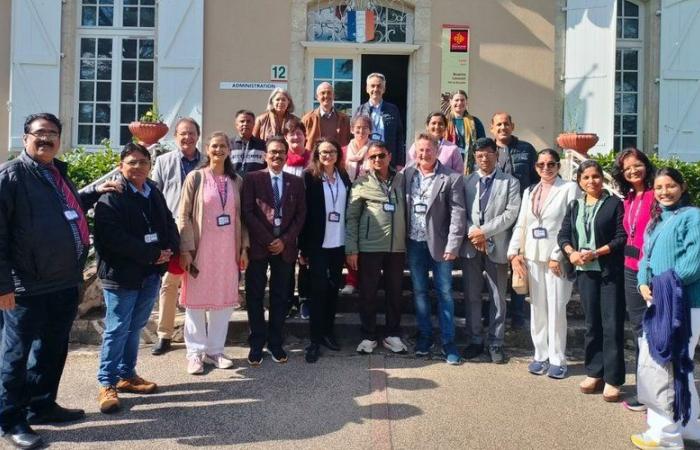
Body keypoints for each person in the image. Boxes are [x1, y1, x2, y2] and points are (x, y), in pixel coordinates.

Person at [0, 113, 120, 449]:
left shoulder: (56, 173)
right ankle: (10, 420)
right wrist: (3, 286)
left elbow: (67, 209)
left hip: (63, 283)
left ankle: (41, 404)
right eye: (39, 133)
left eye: (53, 133)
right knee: (15, 356)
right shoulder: (11, 176)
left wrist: (95, 191)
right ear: (25, 138)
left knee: (52, 349)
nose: (46, 139)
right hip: (25, 287)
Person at [93, 143, 179, 413]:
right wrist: (152, 254)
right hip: (122, 275)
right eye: (132, 162)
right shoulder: (111, 197)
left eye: (143, 162)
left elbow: (168, 221)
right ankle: (107, 383)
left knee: (136, 325)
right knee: (117, 329)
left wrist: (170, 249)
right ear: (121, 166)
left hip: (150, 273)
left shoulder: (153, 191)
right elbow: (113, 239)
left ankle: (127, 375)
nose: (138, 167)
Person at [631, 168, 700, 450]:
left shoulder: (692, 217)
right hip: (658, 301)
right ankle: (690, 429)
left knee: (665, 368)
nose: (664, 192)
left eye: (670, 186)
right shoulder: (656, 221)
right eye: (658, 187)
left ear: (682, 187)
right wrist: (642, 284)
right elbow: (645, 259)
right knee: (677, 367)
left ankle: (665, 438)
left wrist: (661, 288)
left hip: (682, 304)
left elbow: (694, 262)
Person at [178, 132, 248, 374]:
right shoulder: (195, 177)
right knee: (196, 303)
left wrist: (243, 249)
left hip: (227, 251)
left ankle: (215, 350)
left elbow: (242, 218)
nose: (219, 150)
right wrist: (186, 249)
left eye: (223, 146)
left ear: (229, 150)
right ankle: (195, 353)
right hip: (201, 251)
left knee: (222, 303)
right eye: (214, 146)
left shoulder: (236, 180)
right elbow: (183, 215)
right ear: (207, 149)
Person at [558, 160, 626, 402]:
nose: (591, 181)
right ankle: (594, 372)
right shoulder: (575, 205)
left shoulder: (614, 204)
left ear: (602, 179)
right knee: (591, 324)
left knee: (612, 325)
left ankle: (613, 378)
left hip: (608, 272)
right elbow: (563, 234)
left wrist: (597, 252)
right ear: (579, 181)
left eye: (595, 176)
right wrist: (570, 252)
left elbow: (621, 237)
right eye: (586, 177)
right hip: (586, 272)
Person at [507, 149, 579, 377]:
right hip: (532, 257)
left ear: (558, 166)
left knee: (557, 308)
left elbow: (571, 225)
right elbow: (522, 223)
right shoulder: (530, 191)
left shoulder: (568, 189)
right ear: (536, 167)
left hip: (555, 259)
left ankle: (558, 358)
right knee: (537, 308)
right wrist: (513, 252)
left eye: (551, 164)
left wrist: (558, 255)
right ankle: (540, 354)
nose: (546, 168)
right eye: (541, 165)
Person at [241, 137, 306, 366]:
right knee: (255, 295)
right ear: (265, 155)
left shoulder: (295, 182)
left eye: (281, 152)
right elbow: (247, 212)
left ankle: (275, 342)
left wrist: (285, 240)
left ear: (286, 155)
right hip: (259, 246)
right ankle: (257, 342)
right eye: (272, 152)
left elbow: (301, 216)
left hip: (285, 248)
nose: (277, 156)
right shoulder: (252, 179)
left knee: (280, 297)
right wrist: (269, 239)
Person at [404, 133, 466, 364]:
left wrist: (453, 245)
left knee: (445, 293)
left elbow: (458, 214)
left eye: (428, 150)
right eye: (420, 150)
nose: (424, 154)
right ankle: (425, 336)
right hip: (414, 242)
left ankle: (448, 342)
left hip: (441, 245)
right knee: (419, 292)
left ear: (437, 151)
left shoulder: (451, 178)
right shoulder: (408, 174)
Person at [461, 137, 521, 364]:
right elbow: (461, 212)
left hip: (497, 245)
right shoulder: (467, 181)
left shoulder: (510, 182)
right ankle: (475, 339)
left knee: (498, 297)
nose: (484, 158)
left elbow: (511, 213)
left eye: (488, 153)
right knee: (472, 295)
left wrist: (483, 232)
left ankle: (496, 342)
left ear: (496, 155)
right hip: (471, 246)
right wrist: (472, 232)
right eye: (479, 155)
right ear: (475, 158)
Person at [346, 141, 407, 355]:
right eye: (373, 157)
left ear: (389, 156)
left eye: (381, 155)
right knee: (368, 293)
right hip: (369, 247)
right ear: (367, 160)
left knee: (394, 293)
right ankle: (368, 335)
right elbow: (351, 218)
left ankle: (392, 334)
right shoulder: (360, 183)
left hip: (397, 248)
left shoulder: (403, 179)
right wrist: (351, 249)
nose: (377, 160)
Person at [151, 117, 203, 356]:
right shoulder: (163, 162)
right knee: (169, 283)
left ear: (198, 136)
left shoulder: (207, 162)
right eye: (182, 133)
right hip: (173, 230)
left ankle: (202, 334)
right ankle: (165, 334)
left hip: (202, 231)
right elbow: (154, 196)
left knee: (200, 281)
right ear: (175, 137)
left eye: (191, 133)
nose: (187, 137)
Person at [611, 148, 656, 412]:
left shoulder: (656, 195)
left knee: (653, 330)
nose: (632, 171)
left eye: (637, 165)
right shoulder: (629, 197)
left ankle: (657, 390)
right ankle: (645, 389)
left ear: (645, 165)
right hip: (630, 269)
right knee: (639, 330)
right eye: (627, 169)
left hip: (652, 272)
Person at [299, 139, 351, 363]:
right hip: (317, 244)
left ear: (338, 154)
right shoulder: (309, 177)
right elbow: (304, 214)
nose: (327, 155)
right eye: (323, 152)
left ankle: (328, 333)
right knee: (317, 292)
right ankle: (315, 340)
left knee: (332, 291)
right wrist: (303, 247)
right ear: (317, 155)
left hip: (338, 243)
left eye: (331, 151)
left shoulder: (344, 177)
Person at [491, 112, 539, 329]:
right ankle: (492, 312)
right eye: (499, 124)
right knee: (495, 265)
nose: (503, 127)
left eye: (506, 124)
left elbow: (538, 181)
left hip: (522, 216)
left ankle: (518, 315)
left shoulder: (526, 149)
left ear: (512, 126)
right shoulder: (486, 150)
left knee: (519, 263)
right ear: (492, 128)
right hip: (495, 218)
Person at [339, 114, 373, 295]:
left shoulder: (374, 150)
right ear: (351, 130)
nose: (360, 131)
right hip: (346, 198)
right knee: (350, 237)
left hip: (369, 198)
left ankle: (365, 279)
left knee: (365, 239)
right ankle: (351, 280)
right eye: (357, 128)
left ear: (370, 130)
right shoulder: (343, 151)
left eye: (365, 128)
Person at [282, 119, 311, 318]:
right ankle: (287, 299)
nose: (295, 137)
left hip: (307, 218)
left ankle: (304, 299)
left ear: (305, 136)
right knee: (287, 261)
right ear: (286, 138)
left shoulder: (312, 160)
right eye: (291, 133)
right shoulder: (281, 160)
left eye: (298, 133)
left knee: (305, 260)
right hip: (285, 220)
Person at [355, 73, 405, 167]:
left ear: (384, 89)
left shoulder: (393, 110)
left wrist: (400, 163)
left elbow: (399, 137)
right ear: (367, 89)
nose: (375, 89)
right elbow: (354, 137)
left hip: (388, 159)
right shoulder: (360, 110)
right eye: (372, 86)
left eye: (379, 86)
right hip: (367, 159)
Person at [301, 82, 351, 151]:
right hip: (314, 159)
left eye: (329, 93)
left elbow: (349, 142)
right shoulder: (307, 119)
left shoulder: (344, 119)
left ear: (334, 96)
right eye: (323, 93)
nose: (326, 95)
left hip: (337, 159)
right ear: (317, 97)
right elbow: (301, 143)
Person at [444, 90, 485, 173]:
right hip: (448, 162)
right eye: (456, 100)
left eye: (462, 100)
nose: (459, 103)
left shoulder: (475, 122)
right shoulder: (443, 122)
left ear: (466, 102)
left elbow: (482, 144)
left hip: (470, 164)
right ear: (450, 102)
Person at [230, 109, 266, 176]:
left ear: (254, 124)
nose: (245, 124)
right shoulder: (228, 144)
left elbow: (267, 167)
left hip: (256, 184)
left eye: (248, 121)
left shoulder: (263, 145)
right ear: (236, 124)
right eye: (242, 121)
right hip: (234, 184)